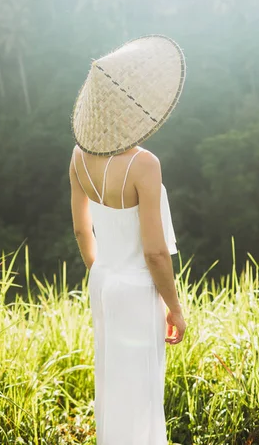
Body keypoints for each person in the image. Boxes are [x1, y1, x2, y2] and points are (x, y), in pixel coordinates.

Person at [69, 35, 187, 445]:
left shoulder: (78, 156)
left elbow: (82, 229)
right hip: (138, 289)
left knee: (112, 383)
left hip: (102, 281)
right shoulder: (143, 164)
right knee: (141, 392)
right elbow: (155, 252)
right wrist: (175, 308)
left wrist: (101, 269)